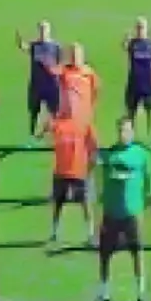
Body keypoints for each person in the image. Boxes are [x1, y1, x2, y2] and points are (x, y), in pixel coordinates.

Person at [96, 117, 151, 301]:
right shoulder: (108, 156)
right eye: (120, 131)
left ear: (133, 132)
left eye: (127, 131)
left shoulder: (141, 154)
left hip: (132, 214)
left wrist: (141, 204)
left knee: (137, 253)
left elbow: (148, 182)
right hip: (111, 213)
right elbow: (96, 172)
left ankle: (141, 294)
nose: (123, 134)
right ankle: (103, 293)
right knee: (105, 254)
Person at [40, 97, 99, 246]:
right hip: (61, 171)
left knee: (85, 203)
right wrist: (46, 121)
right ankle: (54, 233)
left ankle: (90, 233)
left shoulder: (85, 125)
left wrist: (91, 165)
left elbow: (94, 146)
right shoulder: (58, 124)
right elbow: (44, 131)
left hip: (79, 171)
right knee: (57, 203)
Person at [16, 20, 61, 142]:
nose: (43, 31)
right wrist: (19, 41)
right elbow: (24, 48)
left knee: (54, 112)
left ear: (49, 30)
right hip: (36, 83)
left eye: (45, 29)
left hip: (51, 84)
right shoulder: (35, 45)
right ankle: (31, 136)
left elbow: (60, 64)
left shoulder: (55, 47)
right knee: (34, 111)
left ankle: (53, 134)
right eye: (41, 29)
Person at [122, 17, 151, 134]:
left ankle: (150, 134)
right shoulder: (132, 43)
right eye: (138, 27)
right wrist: (125, 39)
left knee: (150, 111)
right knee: (130, 111)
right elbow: (124, 46)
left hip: (148, 83)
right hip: (134, 82)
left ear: (146, 29)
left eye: (142, 27)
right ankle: (130, 134)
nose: (140, 30)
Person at [51, 43, 100, 127]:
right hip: (67, 116)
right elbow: (51, 71)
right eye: (73, 55)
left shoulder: (89, 73)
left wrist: (91, 106)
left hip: (83, 116)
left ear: (82, 56)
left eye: (77, 55)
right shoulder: (64, 70)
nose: (75, 58)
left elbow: (96, 90)